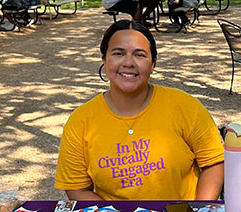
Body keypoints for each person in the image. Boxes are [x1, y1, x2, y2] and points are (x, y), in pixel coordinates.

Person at [55, 20, 224, 201]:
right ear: (104, 59)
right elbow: (77, 189)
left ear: (153, 64)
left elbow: (214, 162)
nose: (128, 62)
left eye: (140, 55)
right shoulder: (80, 121)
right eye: (118, 53)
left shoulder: (185, 106)